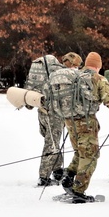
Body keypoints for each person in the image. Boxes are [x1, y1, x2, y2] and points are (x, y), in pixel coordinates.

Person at [59, 51, 109, 202]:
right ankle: (78, 191)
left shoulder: (74, 76)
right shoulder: (99, 79)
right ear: (98, 66)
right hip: (86, 123)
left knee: (79, 152)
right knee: (90, 155)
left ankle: (68, 179)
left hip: (69, 121)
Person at [23, 53, 72, 187]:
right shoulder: (58, 71)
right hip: (53, 114)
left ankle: (57, 169)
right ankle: (43, 177)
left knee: (52, 141)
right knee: (51, 144)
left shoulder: (37, 69)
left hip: (41, 111)